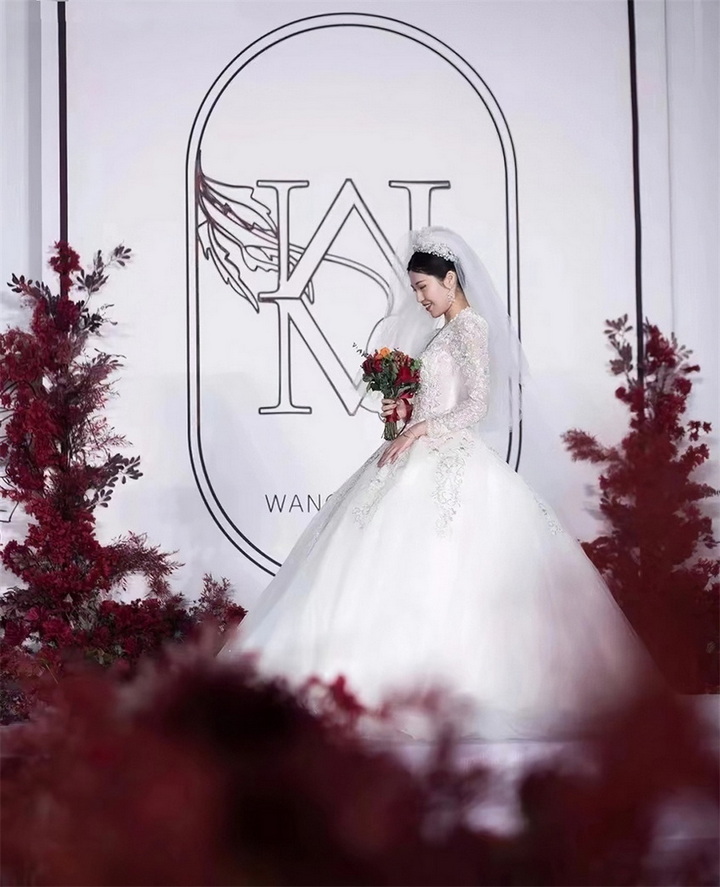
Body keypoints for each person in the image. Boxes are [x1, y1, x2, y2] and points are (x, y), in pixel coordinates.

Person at [220, 227, 657, 740]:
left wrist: (422, 427)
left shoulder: (470, 328)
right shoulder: (443, 332)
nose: (420, 299)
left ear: (450, 280)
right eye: (414, 290)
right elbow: (438, 397)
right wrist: (402, 410)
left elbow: (476, 405)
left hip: (446, 454)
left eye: (423, 288)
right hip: (419, 447)